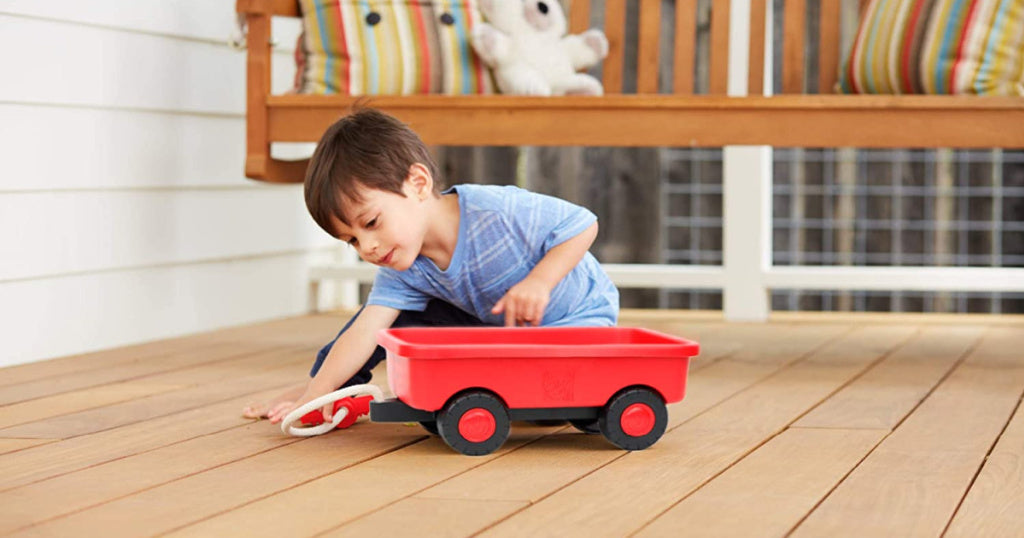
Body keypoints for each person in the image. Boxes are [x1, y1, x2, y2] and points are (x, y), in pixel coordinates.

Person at [242, 107, 619, 424]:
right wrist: (314, 396)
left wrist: (539, 282)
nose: (368, 248)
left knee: (544, 405)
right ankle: (323, 388)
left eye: (371, 223)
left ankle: (323, 387)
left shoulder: (496, 209)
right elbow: (366, 332)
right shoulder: (404, 266)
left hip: (577, 318)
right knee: (382, 321)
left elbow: (581, 224)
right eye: (352, 241)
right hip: (501, 329)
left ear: (418, 184)